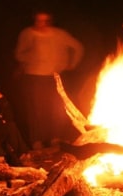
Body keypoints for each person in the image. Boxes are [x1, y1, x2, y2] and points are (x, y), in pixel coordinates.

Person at [14, 11, 85, 149]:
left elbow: (78, 47)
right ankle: (36, 140)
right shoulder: (28, 33)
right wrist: (31, 58)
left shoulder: (59, 34)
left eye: (45, 21)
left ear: (50, 21)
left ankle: (54, 138)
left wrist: (71, 64)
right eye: (38, 20)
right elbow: (19, 53)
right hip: (33, 76)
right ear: (34, 21)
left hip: (53, 76)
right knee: (36, 110)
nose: (41, 24)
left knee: (55, 109)